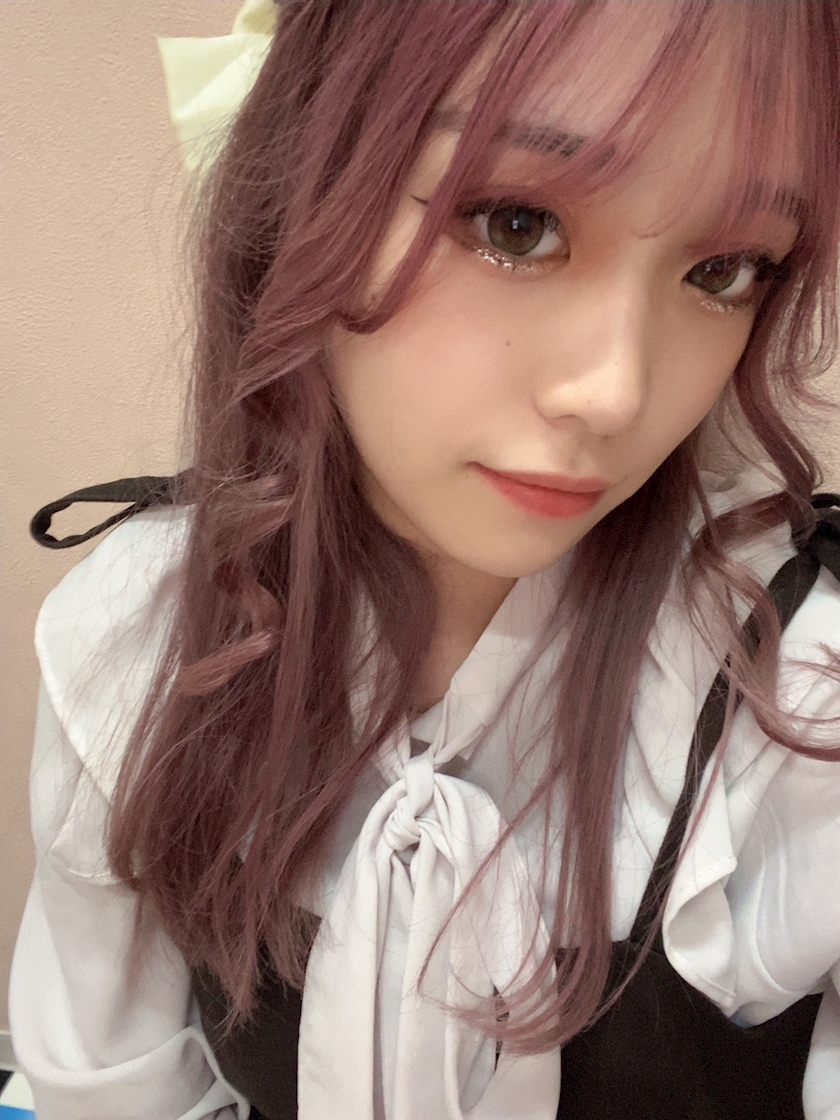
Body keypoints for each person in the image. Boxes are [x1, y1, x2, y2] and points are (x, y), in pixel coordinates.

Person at [9, 1, 840, 1118]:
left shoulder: (801, 710)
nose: (616, 392)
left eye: (727, 268)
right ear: (305, 191)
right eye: (515, 225)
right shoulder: (143, 638)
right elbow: (110, 1088)